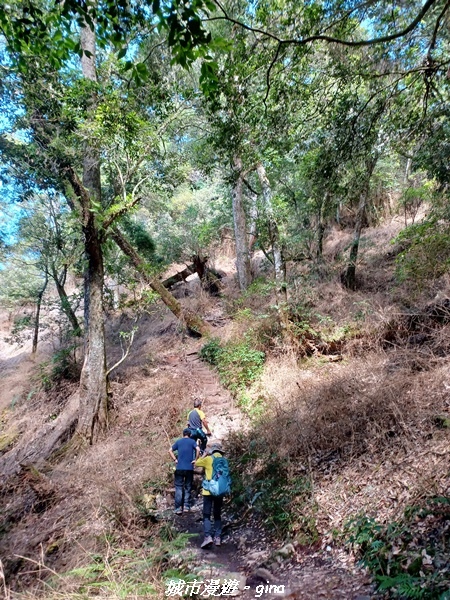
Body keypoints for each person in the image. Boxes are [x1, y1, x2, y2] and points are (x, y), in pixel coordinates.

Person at [195, 442, 226, 548]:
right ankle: (218, 537)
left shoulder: (209, 459)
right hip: (220, 490)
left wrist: (204, 454)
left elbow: (197, 463)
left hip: (208, 491)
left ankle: (208, 537)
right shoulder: (224, 460)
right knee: (217, 514)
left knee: (206, 515)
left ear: (212, 450)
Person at [169, 428, 199, 515]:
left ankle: (178, 508)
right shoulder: (192, 442)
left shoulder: (179, 442)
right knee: (188, 487)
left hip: (179, 468)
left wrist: (175, 459)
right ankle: (186, 506)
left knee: (178, 487)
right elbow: (197, 449)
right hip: (189, 468)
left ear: (183, 434)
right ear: (190, 435)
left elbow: (170, 450)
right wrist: (196, 459)